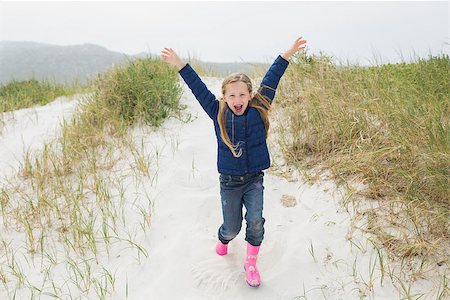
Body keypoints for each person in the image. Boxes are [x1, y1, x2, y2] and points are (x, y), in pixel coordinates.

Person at [161, 36, 307, 287]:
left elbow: (272, 78)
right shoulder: (217, 111)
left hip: (254, 180)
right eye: (232, 95)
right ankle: (223, 239)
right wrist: (180, 63)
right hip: (229, 182)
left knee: (256, 221)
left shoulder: (259, 107)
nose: (237, 100)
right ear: (224, 97)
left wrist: (288, 53)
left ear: (250, 95)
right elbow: (198, 88)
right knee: (231, 228)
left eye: (242, 94)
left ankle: (251, 263)